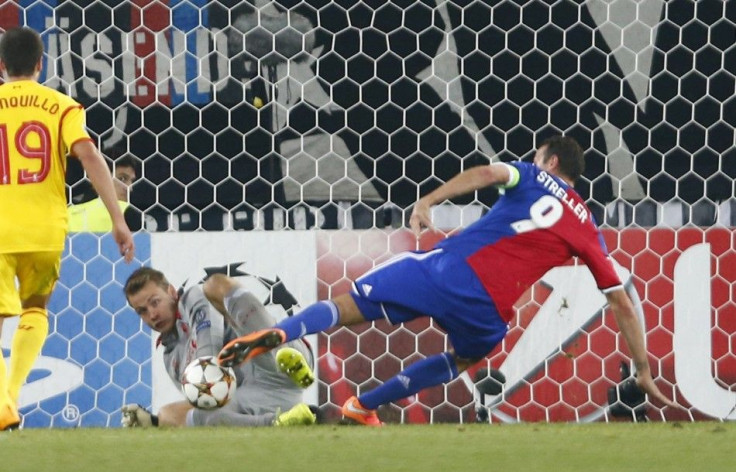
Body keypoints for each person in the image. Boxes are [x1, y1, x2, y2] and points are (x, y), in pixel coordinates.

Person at [217, 135, 678, 426]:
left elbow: (487, 173)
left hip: (445, 269)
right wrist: (641, 366)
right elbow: (620, 300)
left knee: (346, 306)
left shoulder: (533, 174)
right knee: (464, 357)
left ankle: (282, 332)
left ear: (551, 161)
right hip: (489, 311)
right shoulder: (587, 228)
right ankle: (364, 405)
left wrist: (428, 200)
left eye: (536, 155)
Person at [0, 27, 135, 431]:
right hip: (44, 230)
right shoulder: (61, 106)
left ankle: (2, 401)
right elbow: (89, 155)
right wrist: (117, 218)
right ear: (41, 64)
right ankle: (11, 396)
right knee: (35, 309)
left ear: (2, 66)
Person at [120, 267, 317, 427]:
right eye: (142, 311)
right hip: (259, 396)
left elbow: (208, 345)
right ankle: (281, 423)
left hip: (272, 362)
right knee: (169, 415)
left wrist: (206, 372)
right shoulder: (170, 358)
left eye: (155, 302)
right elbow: (206, 400)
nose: (152, 315)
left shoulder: (191, 299)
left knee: (215, 284)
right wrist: (156, 421)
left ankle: (278, 350)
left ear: (171, 292)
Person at [68, 153, 142, 232]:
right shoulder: (127, 212)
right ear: (99, 178)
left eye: (132, 181)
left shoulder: (67, 213)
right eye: (122, 179)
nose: (130, 188)